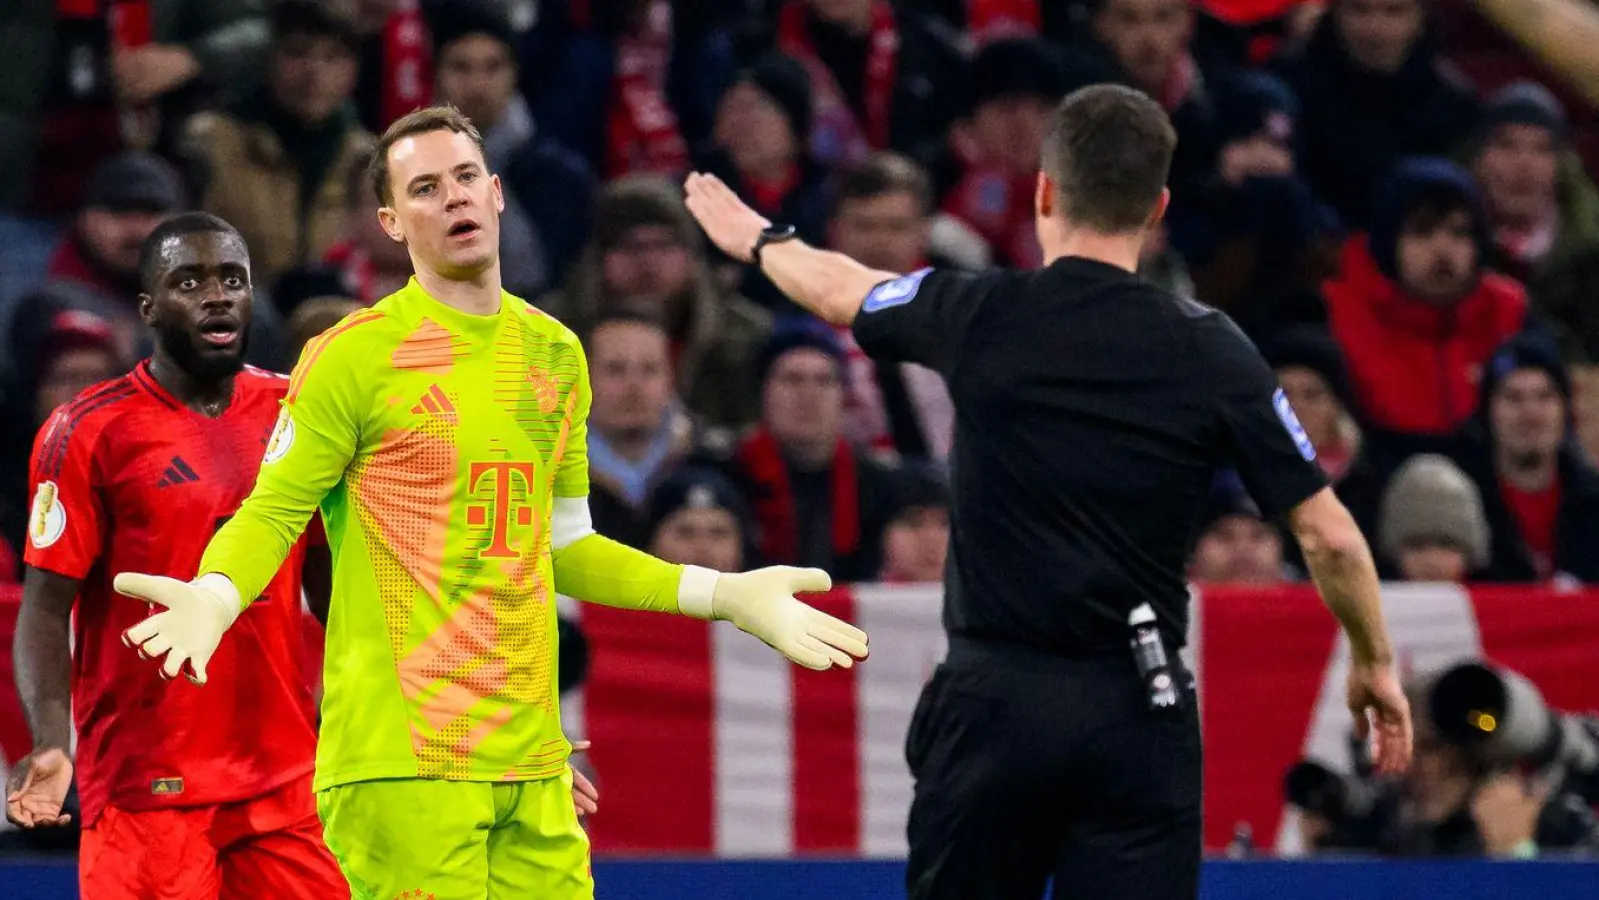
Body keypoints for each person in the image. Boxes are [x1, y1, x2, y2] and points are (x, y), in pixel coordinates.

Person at [111, 105, 868, 900]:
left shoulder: (554, 352)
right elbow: (273, 512)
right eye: (426, 188)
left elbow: (565, 547)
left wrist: (725, 594)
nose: (454, 199)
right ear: (391, 222)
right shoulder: (353, 356)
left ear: (498, 193)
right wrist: (216, 593)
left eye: (465, 178)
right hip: (402, 766)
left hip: (533, 762)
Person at [683, 83, 1414, 900]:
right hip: (1138, 708)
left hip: (994, 705)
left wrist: (759, 238)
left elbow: (839, 287)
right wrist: (1373, 661)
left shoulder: (979, 310)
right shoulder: (1213, 350)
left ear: (1044, 191)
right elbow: (1330, 536)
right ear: (1157, 206)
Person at [4, 212, 349, 899]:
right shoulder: (88, 432)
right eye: (189, 282)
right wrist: (50, 740)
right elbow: (44, 611)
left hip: (286, 782)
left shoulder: (298, 414)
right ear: (149, 308)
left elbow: (333, 585)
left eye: (232, 279)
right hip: (147, 788)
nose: (216, 295)